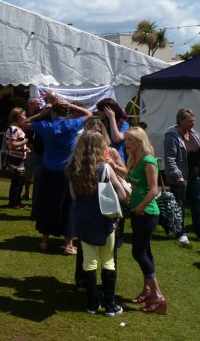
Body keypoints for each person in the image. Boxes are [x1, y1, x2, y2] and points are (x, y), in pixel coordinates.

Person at [66, 131, 126, 316]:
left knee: (88, 260)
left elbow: (74, 196)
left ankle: (92, 302)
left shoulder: (72, 168)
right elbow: (122, 194)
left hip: (83, 219)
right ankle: (110, 304)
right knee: (108, 260)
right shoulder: (105, 169)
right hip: (104, 219)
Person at [21, 95, 91, 254]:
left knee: (47, 204)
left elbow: (23, 123)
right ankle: (68, 244)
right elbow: (88, 113)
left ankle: (45, 241)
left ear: (52, 113)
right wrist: (72, 106)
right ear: (66, 112)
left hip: (48, 170)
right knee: (68, 205)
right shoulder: (72, 124)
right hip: (67, 172)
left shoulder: (46, 125)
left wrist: (41, 114)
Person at [125, 126, 167, 314]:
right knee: (145, 252)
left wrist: (140, 208)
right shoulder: (135, 160)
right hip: (136, 211)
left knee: (139, 253)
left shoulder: (148, 161)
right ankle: (148, 290)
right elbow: (134, 183)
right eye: (126, 140)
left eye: (130, 141)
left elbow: (153, 190)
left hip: (147, 213)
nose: (126, 144)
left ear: (140, 142)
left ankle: (157, 296)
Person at [163, 108, 200, 246]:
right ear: (181, 121)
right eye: (190, 121)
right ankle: (180, 233)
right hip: (181, 177)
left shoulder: (194, 133)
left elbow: (198, 153)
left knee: (199, 206)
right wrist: (177, 175)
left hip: (196, 176)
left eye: (194, 121)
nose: (193, 124)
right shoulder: (172, 135)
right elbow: (169, 158)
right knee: (179, 206)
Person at [5, 107, 30, 209]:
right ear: (18, 117)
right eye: (24, 115)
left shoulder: (17, 129)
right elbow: (12, 145)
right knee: (17, 182)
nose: (26, 117)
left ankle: (18, 201)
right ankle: (13, 203)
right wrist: (26, 141)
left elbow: (16, 144)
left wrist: (25, 148)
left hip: (19, 157)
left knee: (20, 181)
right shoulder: (13, 129)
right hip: (15, 159)